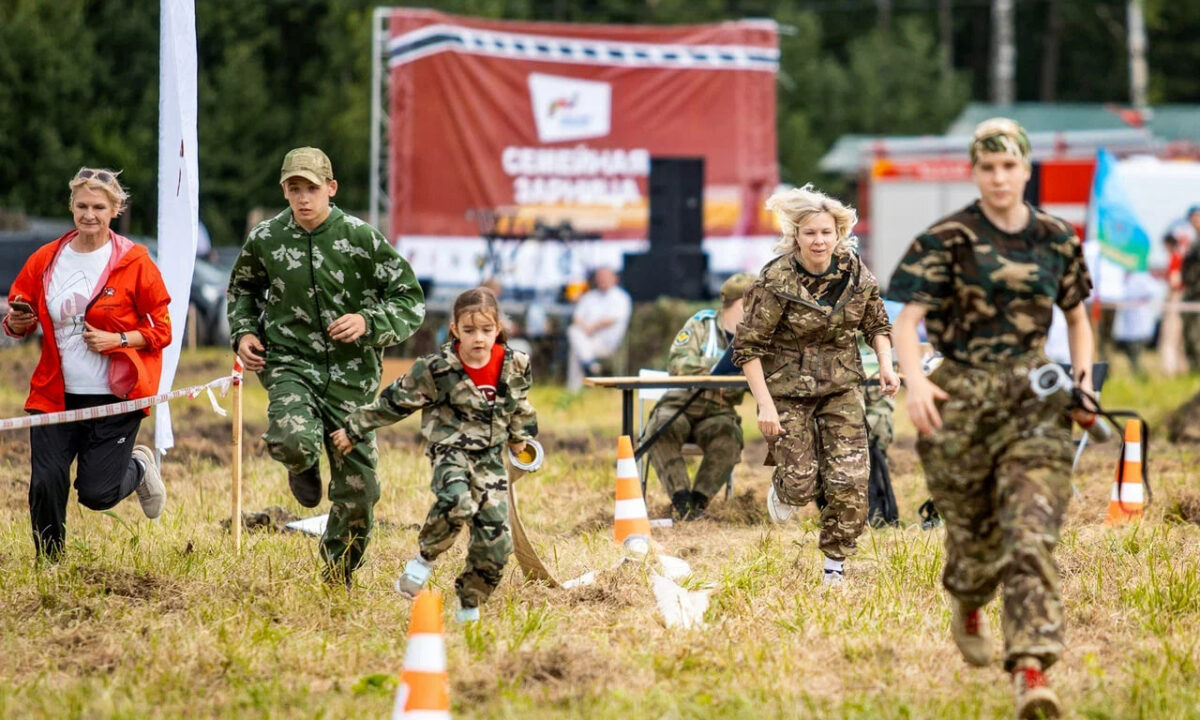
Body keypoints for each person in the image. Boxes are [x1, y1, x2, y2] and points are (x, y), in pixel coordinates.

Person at [888, 118, 1095, 720]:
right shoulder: (946, 238)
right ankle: (970, 597)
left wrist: (1082, 386)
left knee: (1030, 534)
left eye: (1010, 167)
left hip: (1033, 395)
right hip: (960, 397)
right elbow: (907, 320)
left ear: (1026, 170)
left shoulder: (1057, 238)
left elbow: (1078, 319)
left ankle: (1031, 673)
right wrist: (917, 382)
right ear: (975, 172)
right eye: (988, 168)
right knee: (976, 537)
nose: (1000, 178)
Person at [227, 147, 425, 587]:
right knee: (295, 437)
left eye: (312, 188)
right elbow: (242, 289)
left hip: (352, 380)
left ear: (331, 189)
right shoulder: (266, 239)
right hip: (289, 363)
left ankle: (338, 574)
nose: (303, 198)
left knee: (360, 491)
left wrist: (368, 321)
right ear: (284, 191)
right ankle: (301, 464)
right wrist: (243, 332)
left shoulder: (361, 239)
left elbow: (410, 300)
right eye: (294, 189)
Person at [331, 288, 538, 623]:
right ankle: (423, 561)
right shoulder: (437, 369)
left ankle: (469, 604)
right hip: (451, 451)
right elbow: (396, 400)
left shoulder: (515, 364)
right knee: (458, 504)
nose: (479, 339)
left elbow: (519, 406)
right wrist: (355, 428)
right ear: (454, 329)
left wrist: (521, 441)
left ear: (498, 327)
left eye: (486, 330)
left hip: (489, 458)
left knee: (496, 541)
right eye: (469, 331)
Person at [732, 185, 898, 585]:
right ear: (796, 236)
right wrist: (765, 406)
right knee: (802, 482)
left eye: (826, 232)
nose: (819, 241)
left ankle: (834, 568)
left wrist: (887, 367)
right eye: (810, 233)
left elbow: (877, 325)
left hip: (841, 387)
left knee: (850, 479)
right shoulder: (776, 280)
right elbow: (747, 348)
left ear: (838, 233)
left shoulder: (858, 276)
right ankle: (787, 489)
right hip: (787, 391)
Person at [4, 168, 170, 562]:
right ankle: (50, 561)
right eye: (81, 206)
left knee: (97, 494)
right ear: (72, 207)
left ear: (115, 209)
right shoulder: (47, 259)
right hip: (54, 395)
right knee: (46, 482)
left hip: (114, 397)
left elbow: (161, 330)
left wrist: (120, 340)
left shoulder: (135, 261)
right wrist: (16, 322)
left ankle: (140, 469)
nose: (89, 214)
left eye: (98, 206)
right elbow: (16, 316)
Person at [643, 273, 755, 520]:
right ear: (742, 303)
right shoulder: (700, 324)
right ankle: (682, 500)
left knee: (728, 436)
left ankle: (698, 502)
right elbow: (678, 362)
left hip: (720, 409)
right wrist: (720, 366)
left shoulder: (758, 337)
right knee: (661, 428)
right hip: (681, 402)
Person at [565, 266, 632, 391]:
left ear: (615, 278)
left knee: (576, 347)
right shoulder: (589, 296)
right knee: (574, 331)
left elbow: (612, 319)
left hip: (607, 344)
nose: (602, 280)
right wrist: (586, 328)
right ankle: (588, 364)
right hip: (586, 338)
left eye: (606, 277)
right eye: (600, 277)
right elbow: (576, 317)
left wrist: (593, 327)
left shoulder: (621, 297)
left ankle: (576, 386)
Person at [1159, 228, 1189, 376]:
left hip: (1175, 298)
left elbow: (1174, 281)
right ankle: (1181, 367)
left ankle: (1169, 369)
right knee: (1179, 336)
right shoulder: (1182, 256)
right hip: (1182, 299)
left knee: (1170, 335)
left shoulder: (1175, 258)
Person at [1179, 206, 1200, 371]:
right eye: (1192, 218)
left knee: (1196, 336)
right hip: (1191, 294)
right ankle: (1194, 368)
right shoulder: (1192, 242)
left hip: (1197, 295)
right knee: (1189, 335)